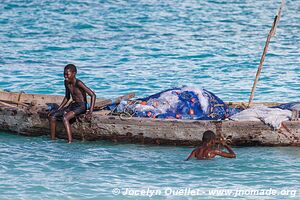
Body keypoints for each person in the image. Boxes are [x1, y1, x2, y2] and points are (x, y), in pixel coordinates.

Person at [48, 64, 96, 143]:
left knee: (65, 118)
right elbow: (67, 97)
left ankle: (70, 141)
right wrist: (59, 109)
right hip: (73, 105)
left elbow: (93, 95)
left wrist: (90, 111)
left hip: (81, 106)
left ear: (74, 74)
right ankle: (52, 140)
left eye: (67, 74)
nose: (65, 76)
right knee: (53, 116)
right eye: (64, 74)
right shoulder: (66, 82)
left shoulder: (78, 83)